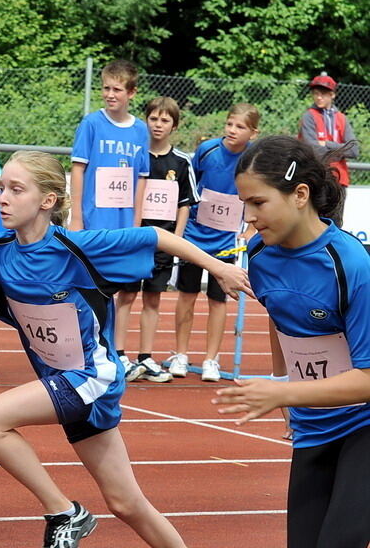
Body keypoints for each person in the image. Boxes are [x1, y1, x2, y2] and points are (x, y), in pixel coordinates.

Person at [0, 150, 245, 548]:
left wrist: (215, 266)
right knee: (125, 502)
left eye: (16, 189)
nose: (3, 199)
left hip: (92, 377)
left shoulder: (79, 245)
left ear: (48, 200)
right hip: (62, 382)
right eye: (2, 187)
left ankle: (63, 513)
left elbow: (156, 235)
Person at [214, 135, 370, 548]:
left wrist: (283, 391)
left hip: (364, 424)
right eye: (244, 203)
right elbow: (281, 319)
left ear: (299, 194)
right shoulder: (260, 256)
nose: (249, 217)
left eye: (258, 202)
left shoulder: (353, 267)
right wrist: (287, 387)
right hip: (313, 424)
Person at [169, 103, 259, 382]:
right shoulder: (207, 150)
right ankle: (181, 354)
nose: (232, 130)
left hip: (227, 240)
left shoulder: (253, 158)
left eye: (240, 127)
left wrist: (251, 227)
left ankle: (211, 359)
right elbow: (189, 187)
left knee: (218, 300)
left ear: (253, 133)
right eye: (230, 124)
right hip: (195, 235)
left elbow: (258, 193)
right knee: (186, 294)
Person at [114, 97, 197, 383]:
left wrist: (178, 239)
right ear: (145, 119)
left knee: (153, 298)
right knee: (125, 295)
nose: (158, 125)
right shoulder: (135, 155)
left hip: (162, 242)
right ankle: (119, 354)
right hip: (134, 239)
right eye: (153, 118)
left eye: (165, 120)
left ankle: (146, 357)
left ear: (174, 125)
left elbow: (185, 204)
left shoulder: (182, 162)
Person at [68, 59, 149, 233]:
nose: (110, 94)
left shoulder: (141, 129)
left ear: (131, 92)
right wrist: (75, 218)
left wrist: (137, 221)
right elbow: (77, 169)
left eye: (117, 89)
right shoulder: (91, 123)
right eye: (106, 88)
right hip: (94, 218)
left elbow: (142, 177)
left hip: (125, 221)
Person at [298, 72, 358, 223]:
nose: (319, 97)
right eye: (316, 93)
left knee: (336, 223)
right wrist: (340, 150)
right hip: (316, 176)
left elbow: (354, 150)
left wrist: (327, 144)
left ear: (332, 95)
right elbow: (312, 149)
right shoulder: (309, 116)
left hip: (339, 179)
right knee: (315, 222)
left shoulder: (342, 118)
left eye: (323, 94)